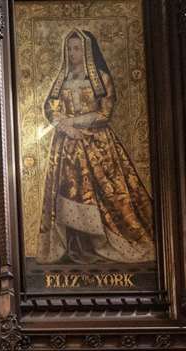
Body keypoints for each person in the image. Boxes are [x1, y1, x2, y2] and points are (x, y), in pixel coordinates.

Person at [37, 28, 155, 264]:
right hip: (67, 145)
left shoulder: (100, 78)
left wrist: (74, 122)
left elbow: (105, 111)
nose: (72, 53)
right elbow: (50, 108)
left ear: (87, 50)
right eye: (69, 49)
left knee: (106, 190)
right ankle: (76, 247)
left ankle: (104, 244)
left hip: (97, 144)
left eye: (77, 48)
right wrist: (65, 127)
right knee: (69, 190)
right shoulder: (62, 79)